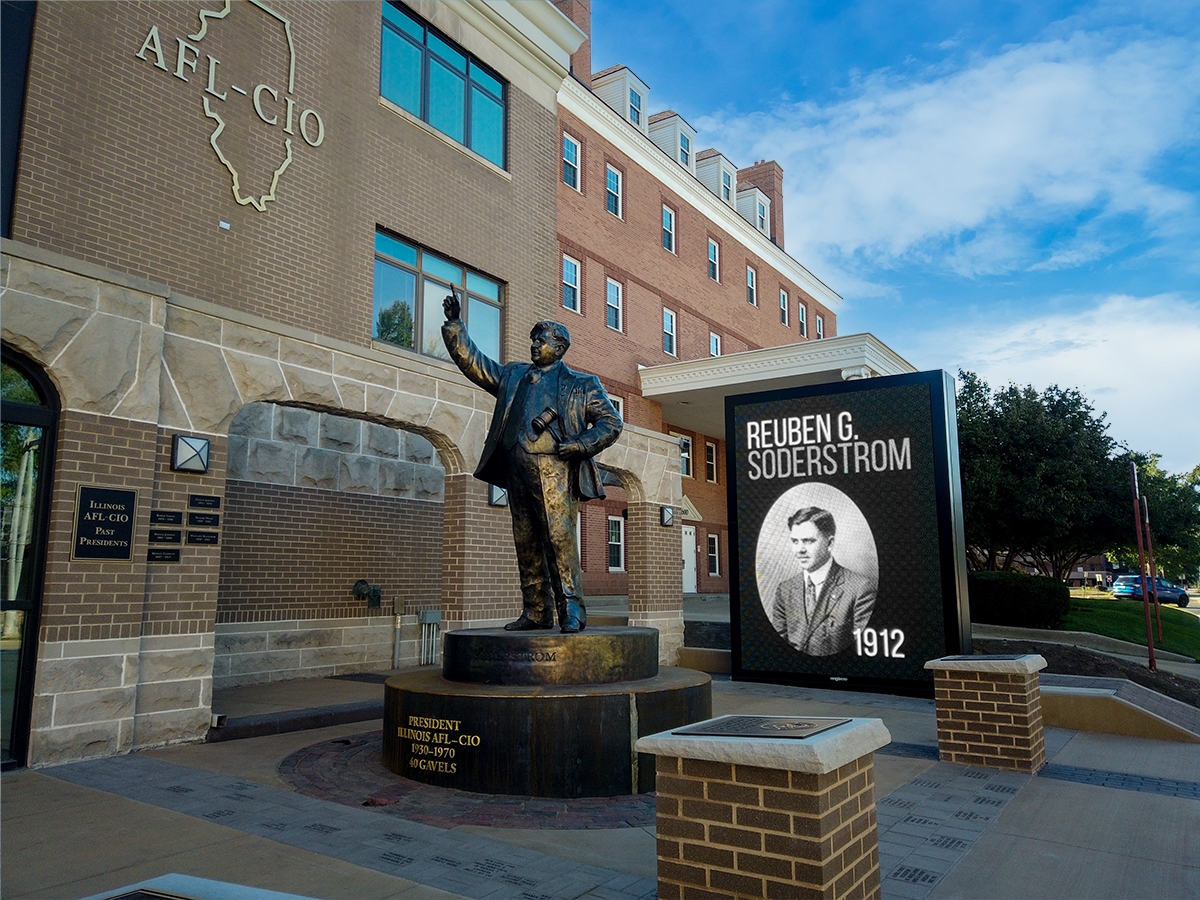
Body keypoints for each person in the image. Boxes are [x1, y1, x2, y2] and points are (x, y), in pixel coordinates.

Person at [442, 289, 623, 633]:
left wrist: (580, 445)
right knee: (524, 540)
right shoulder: (513, 376)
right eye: (533, 340)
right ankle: (536, 610)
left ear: (560, 346)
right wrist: (455, 326)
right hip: (516, 468)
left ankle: (571, 610)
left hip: (555, 468)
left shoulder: (582, 385)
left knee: (559, 538)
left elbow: (612, 423)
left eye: (541, 340)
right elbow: (476, 365)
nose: (534, 345)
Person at [770, 506, 875, 655]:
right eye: (795, 541)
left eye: (808, 541)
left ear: (830, 543)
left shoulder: (861, 588)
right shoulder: (784, 590)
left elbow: (862, 653)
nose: (800, 550)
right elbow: (777, 651)